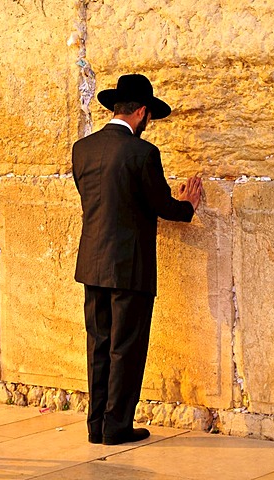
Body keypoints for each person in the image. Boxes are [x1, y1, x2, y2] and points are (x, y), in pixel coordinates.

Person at [72, 74, 203, 446]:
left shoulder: (83, 149)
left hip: (92, 264)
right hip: (129, 267)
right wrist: (188, 205)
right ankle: (116, 425)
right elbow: (160, 204)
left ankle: (96, 425)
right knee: (125, 348)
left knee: (98, 345)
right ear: (142, 112)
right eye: (150, 117)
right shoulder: (142, 153)